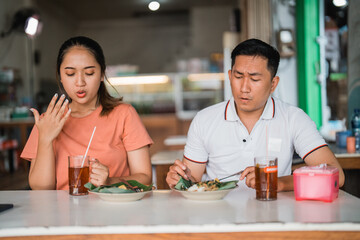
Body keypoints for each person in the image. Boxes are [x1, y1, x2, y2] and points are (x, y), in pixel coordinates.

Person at [166, 38, 345, 191]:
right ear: (229, 76)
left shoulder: (293, 118)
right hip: (219, 219)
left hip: (275, 214)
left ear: (273, 83)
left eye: (254, 79)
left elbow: (336, 175)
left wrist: (279, 182)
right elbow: (192, 181)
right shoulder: (204, 120)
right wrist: (180, 180)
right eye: (238, 77)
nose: (244, 88)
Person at [21, 36, 153, 190]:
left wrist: (110, 181)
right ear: (60, 77)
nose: (80, 82)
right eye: (70, 74)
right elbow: (40, 189)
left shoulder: (124, 114)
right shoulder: (48, 121)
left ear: (102, 74)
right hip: (63, 212)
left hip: (112, 210)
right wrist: (45, 139)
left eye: (89, 73)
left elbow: (145, 178)